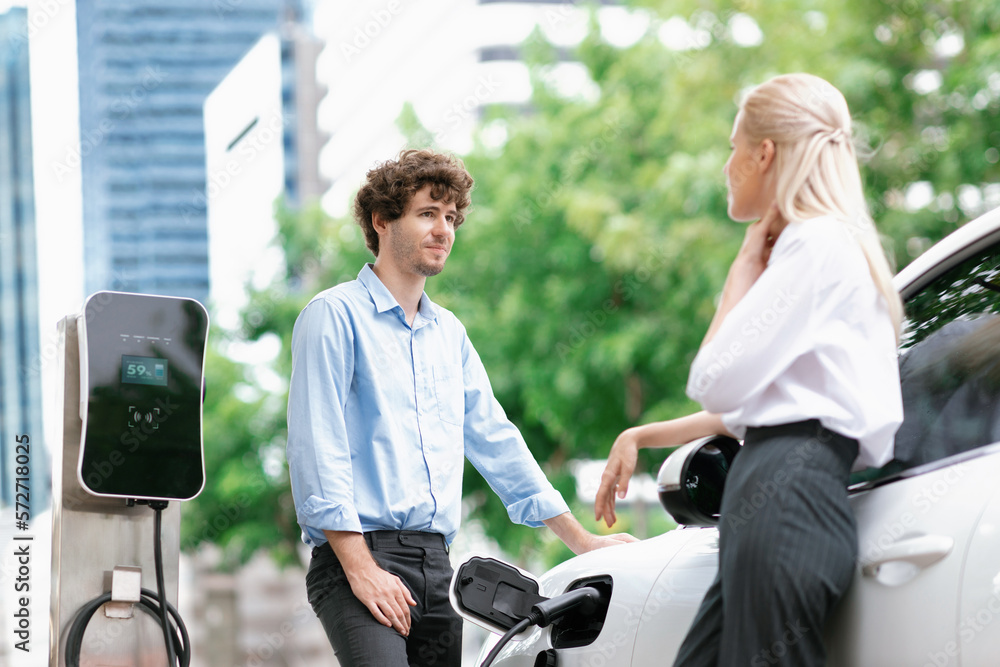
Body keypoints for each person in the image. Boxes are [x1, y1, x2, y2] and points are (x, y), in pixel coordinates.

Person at [594, 73, 904, 666]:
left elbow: (714, 377)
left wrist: (740, 274)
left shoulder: (815, 246)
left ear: (765, 154)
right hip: (782, 491)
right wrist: (641, 434)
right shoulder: (828, 247)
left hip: (785, 498)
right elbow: (752, 406)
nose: (726, 166)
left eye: (734, 148)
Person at [287, 148, 635, 667]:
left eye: (450, 218)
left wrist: (581, 540)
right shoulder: (333, 316)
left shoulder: (449, 334)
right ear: (382, 220)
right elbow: (319, 449)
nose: (443, 229)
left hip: (438, 567)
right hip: (358, 556)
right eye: (427, 213)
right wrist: (360, 568)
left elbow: (496, 440)